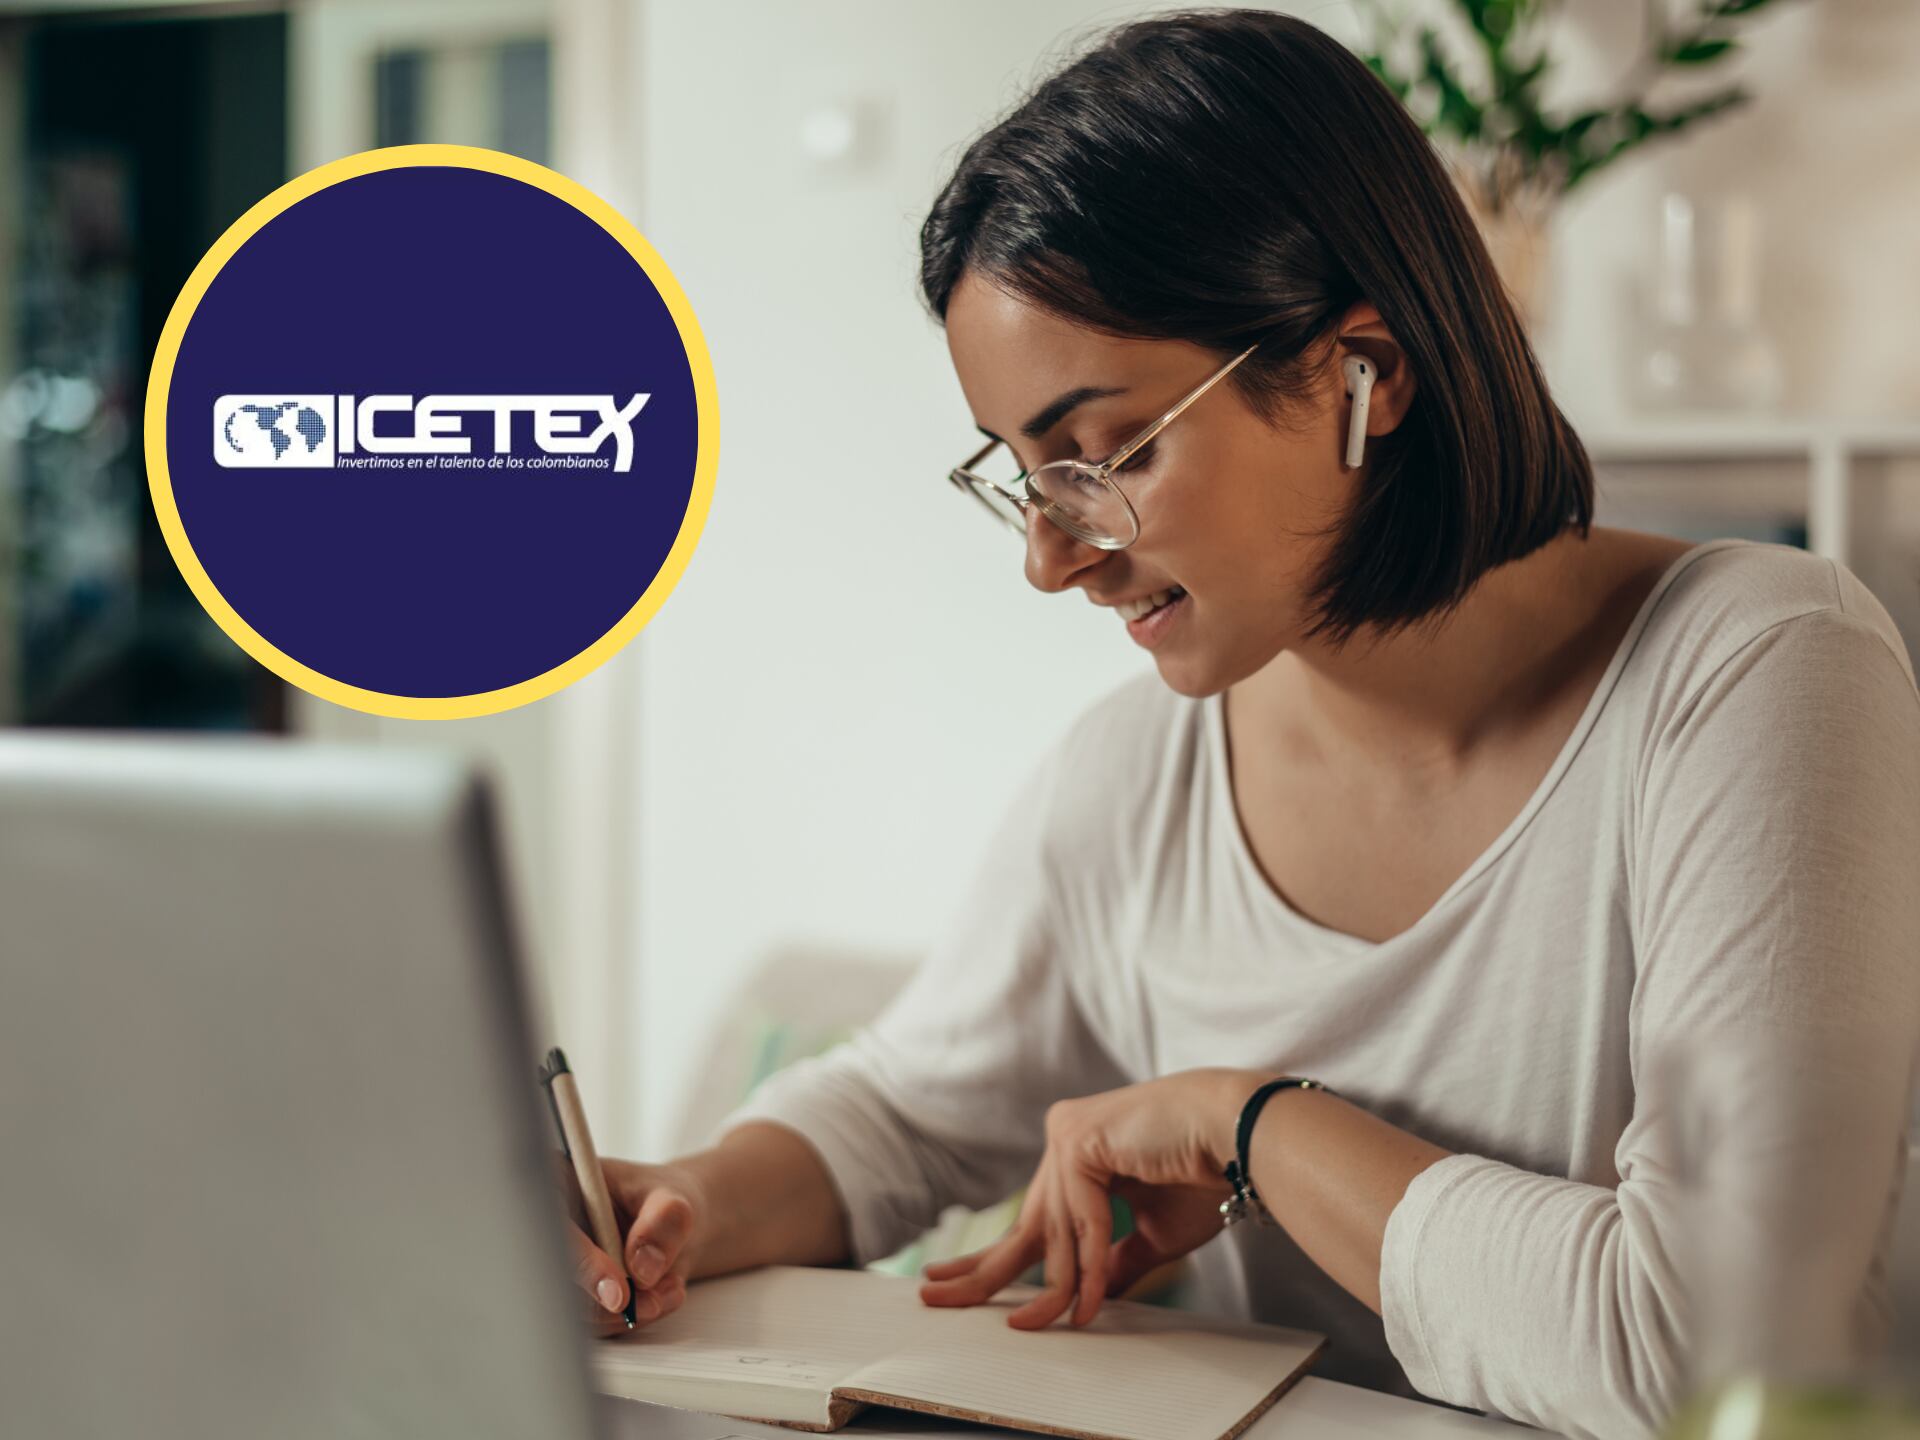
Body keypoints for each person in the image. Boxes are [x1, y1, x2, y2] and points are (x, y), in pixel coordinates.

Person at [563, 11, 1920, 1438]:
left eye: (1111, 454)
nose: (1052, 556)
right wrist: (691, 1203)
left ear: (1365, 375)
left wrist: (1253, 1125)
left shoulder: (1760, 672)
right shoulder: (1136, 773)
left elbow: (1719, 1350)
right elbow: (908, 1106)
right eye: (1028, 476)